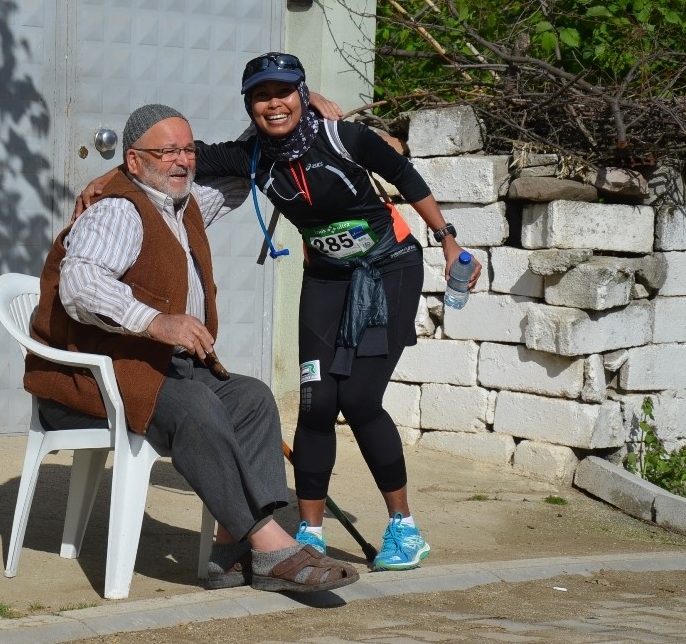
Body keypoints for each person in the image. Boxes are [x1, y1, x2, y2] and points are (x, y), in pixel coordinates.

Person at [77, 54, 481, 571]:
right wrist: (110, 176)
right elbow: (172, 157)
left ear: (302, 93)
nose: (275, 103)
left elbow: (403, 174)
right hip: (326, 280)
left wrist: (448, 242)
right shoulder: (249, 156)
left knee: (358, 399)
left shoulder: (341, 136)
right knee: (314, 404)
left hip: (388, 270)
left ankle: (404, 528)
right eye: (262, 95)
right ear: (249, 104)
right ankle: (309, 532)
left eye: (286, 92)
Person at [24, 103, 360, 593]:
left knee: (252, 399)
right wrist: (156, 321)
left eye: (188, 150)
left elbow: (244, 172)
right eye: (166, 152)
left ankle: (230, 548)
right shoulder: (119, 210)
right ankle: (271, 544)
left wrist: (287, 105)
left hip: (150, 368)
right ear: (134, 162)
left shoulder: (183, 202)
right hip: (89, 378)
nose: (181, 161)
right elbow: (79, 285)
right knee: (198, 408)